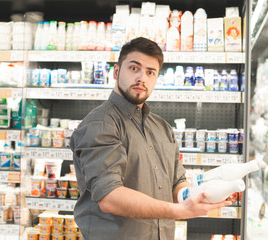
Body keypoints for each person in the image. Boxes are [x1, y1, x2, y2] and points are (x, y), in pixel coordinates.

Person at [70, 37, 231, 240]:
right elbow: (110, 197)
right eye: (134, 68)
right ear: (117, 71)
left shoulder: (162, 127)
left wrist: (197, 194)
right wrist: (180, 211)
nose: (141, 78)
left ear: (156, 78)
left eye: (150, 72)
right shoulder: (100, 124)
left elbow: (176, 183)